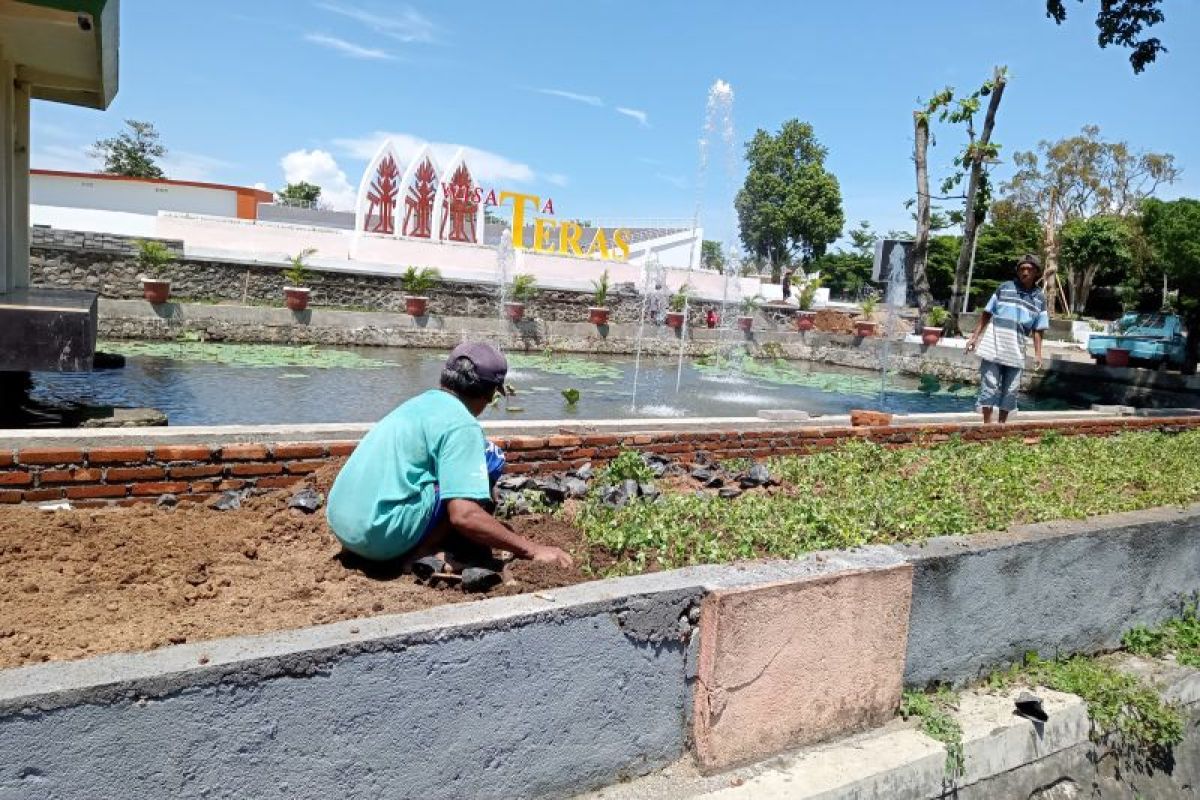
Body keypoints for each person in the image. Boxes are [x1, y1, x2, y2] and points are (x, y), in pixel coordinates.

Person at [326, 342, 574, 572]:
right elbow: (463, 515)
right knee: (490, 458)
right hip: (380, 538)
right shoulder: (462, 425)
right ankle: (422, 554)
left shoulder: (419, 403)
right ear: (489, 395)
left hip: (344, 528)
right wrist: (532, 549)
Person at [965, 255, 1049, 423]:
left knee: (1011, 391)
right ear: (1017, 271)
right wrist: (974, 337)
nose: (1025, 272)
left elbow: (1038, 330)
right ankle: (987, 426)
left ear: (1036, 273)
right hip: (993, 346)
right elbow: (987, 313)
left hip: (1016, 349)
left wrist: (1038, 354)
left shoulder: (1039, 298)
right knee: (989, 388)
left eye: (1029, 269)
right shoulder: (1004, 288)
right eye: (1022, 269)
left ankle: (1001, 426)